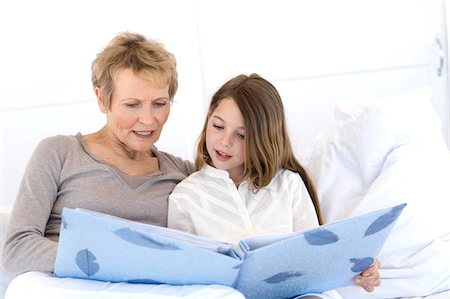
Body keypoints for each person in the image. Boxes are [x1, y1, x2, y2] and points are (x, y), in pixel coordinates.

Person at [167, 73, 380, 294]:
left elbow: (318, 258)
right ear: (208, 118)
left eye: (242, 135)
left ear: (263, 138)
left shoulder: (288, 184)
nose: (225, 142)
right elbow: (185, 278)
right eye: (218, 126)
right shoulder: (185, 197)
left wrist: (360, 269)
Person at [2, 32, 194, 276]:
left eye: (159, 103)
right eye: (132, 105)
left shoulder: (183, 173)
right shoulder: (58, 153)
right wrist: (117, 259)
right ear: (102, 99)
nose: (148, 120)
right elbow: (17, 251)